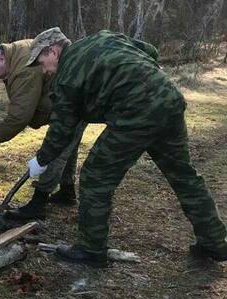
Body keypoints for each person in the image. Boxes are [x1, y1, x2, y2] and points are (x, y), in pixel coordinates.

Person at [24, 28, 227, 267]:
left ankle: (91, 250)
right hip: (168, 100)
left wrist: (41, 160)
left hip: (135, 114)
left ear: (53, 51)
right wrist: (142, 79)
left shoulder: (66, 76)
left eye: (41, 61)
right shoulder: (103, 37)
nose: (43, 69)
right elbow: (149, 50)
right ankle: (215, 242)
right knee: (184, 175)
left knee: (95, 176)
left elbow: (61, 130)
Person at [0, 32, 85, 220]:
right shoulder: (15, 54)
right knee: (68, 145)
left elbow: (20, 116)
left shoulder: (23, 68)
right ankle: (67, 191)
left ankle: (38, 204)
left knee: (57, 149)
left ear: (1, 58)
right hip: (67, 101)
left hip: (73, 104)